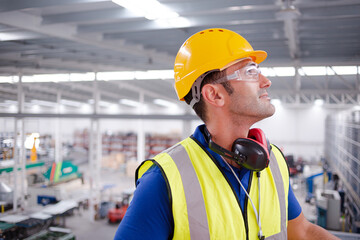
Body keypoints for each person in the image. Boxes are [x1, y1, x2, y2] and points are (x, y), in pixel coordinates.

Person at [114, 28, 339, 239]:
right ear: (215, 95)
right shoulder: (164, 179)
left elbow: (301, 231)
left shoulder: (273, 162)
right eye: (251, 72)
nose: (266, 81)